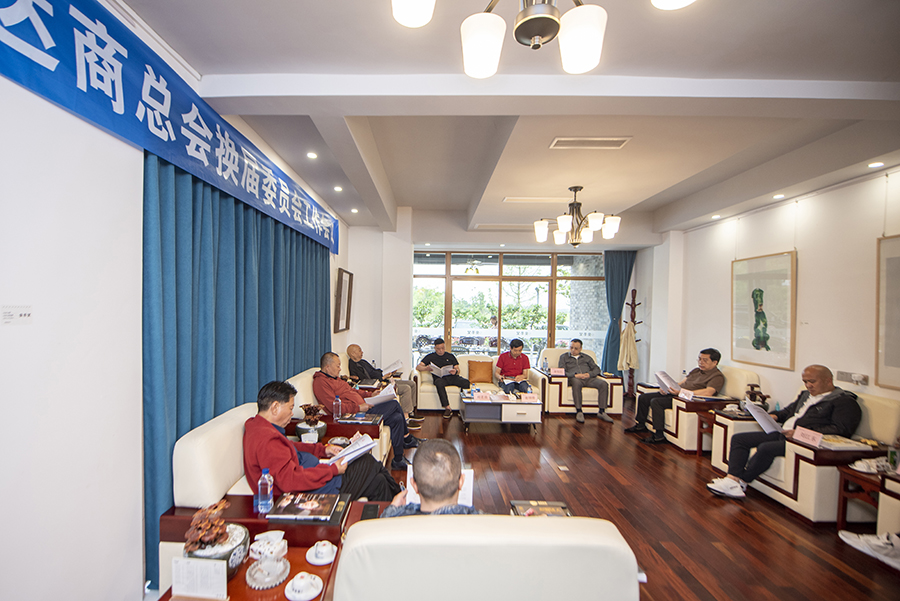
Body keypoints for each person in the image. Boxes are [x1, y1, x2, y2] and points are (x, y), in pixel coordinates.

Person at [706, 365, 861, 499]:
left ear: (828, 380)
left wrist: (799, 433)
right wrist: (772, 416)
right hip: (783, 433)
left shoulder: (844, 402)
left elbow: (840, 430)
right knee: (740, 439)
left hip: (802, 441)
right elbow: (788, 412)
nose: (808, 385)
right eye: (805, 382)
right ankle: (732, 478)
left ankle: (741, 481)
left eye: (812, 381)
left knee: (766, 448)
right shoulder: (806, 395)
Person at [243, 381, 400, 501]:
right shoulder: (267, 440)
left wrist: (322, 449)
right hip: (314, 490)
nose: (291, 413)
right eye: (290, 408)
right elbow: (289, 481)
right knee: (367, 462)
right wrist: (332, 470)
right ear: (275, 407)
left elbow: (289, 446)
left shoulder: (259, 426)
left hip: (316, 478)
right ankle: (402, 499)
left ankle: (392, 515)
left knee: (379, 482)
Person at [313, 352, 424, 471]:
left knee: (396, 418)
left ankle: (398, 459)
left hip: (363, 409)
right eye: (338, 366)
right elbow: (333, 407)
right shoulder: (321, 383)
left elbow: (353, 391)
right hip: (353, 416)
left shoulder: (336, 379)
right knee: (394, 404)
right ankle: (407, 438)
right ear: (327, 367)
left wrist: (370, 394)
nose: (340, 369)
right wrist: (358, 408)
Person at [626, 348, 724, 444]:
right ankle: (640, 425)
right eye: (699, 359)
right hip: (677, 393)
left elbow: (708, 392)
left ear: (715, 362)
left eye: (705, 360)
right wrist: (667, 387)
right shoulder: (696, 371)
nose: (701, 362)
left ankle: (659, 435)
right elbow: (681, 383)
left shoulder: (717, 376)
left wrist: (682, 392)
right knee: (644, 397)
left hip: (687, 399)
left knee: (656, 402)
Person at [381, 439, 481, 517]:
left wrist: (391, 509)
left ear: (414, 485)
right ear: (461, 481)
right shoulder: (482, 522)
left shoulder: (393, 521)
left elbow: (382, 526)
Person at [346, 344, 423, 430]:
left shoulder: (363, 362)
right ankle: (406, 419)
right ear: (352, 353)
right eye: (359, 350)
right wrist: (382, 377)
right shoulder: (353, 366)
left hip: (383, 379)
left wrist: (387, 373)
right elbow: (365, 380)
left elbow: (374, 371)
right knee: (406, 388)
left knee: (412, 383)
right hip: (379, 384)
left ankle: (411, 412)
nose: (362, 352)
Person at [558, 339, 612, 424]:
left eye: (576, 348)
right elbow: (562, 371)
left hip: (589, 379)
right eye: (571, 347)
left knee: (603, 384)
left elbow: (597, 369)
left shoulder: (587, 357)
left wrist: (589, 374)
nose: (573, 350)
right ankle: (579, 411)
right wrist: (575, 375)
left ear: (580, 349)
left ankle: (602, 411)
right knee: (576, 382)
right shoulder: (564, 357)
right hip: (574, 379)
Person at [416, 338, 470, 419]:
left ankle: (463, 408)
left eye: (442, 348)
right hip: (440, 379)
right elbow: (418, 367)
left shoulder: (450, 356)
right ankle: (447, 408)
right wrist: (426, 368)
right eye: (438, 349)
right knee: (439, 383)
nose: (441, 350)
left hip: (451, 377)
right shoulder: (430, 357)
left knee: (466, 382)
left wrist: (455, 371)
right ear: (435, 348)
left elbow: (457, 369)